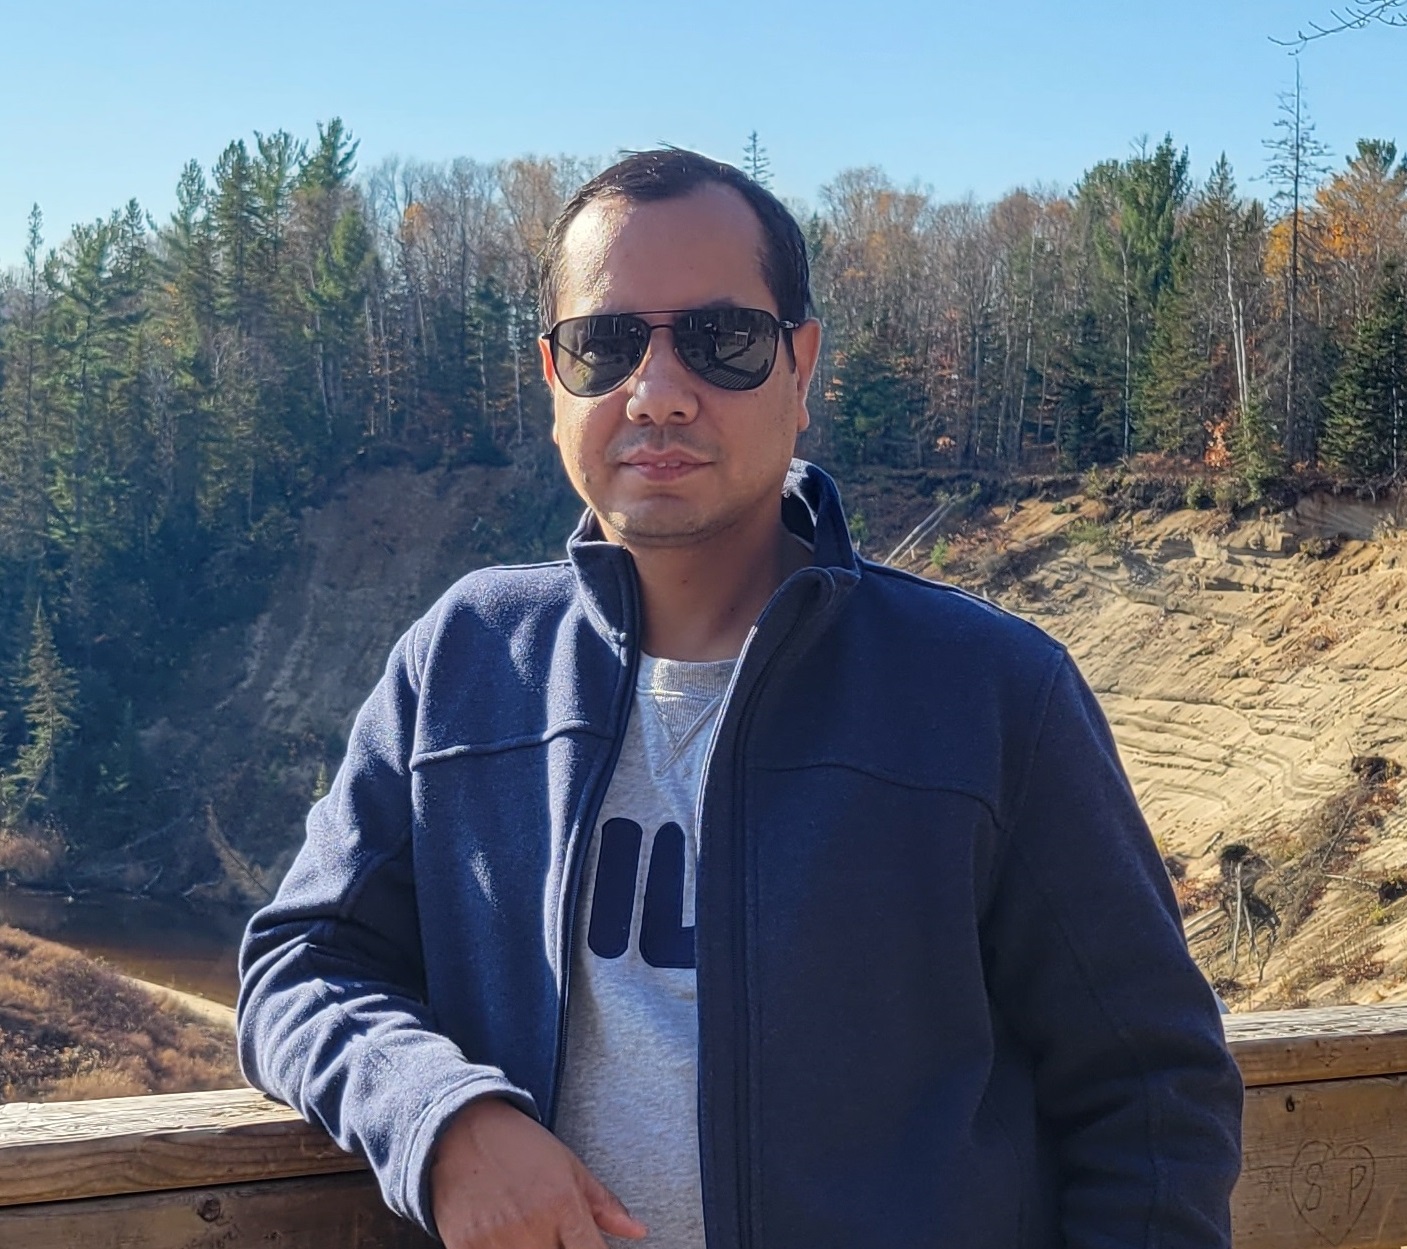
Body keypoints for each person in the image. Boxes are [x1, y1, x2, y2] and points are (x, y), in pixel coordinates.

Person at [237, 148, 1243, 1249]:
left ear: (800, 368)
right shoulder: (467, 664)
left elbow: (1153, 1090)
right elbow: (300, 965)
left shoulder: (989, 692)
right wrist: (444, 1118)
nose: (659, 392)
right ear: (553, 376)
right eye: (606, 344)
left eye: (723, 340)